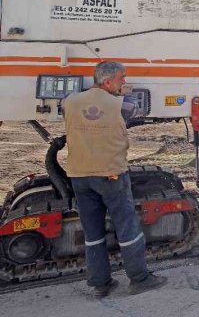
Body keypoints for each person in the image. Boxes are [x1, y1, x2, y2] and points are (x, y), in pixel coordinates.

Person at [62, 61, 167, 297]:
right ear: (108, 82)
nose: (125, 83)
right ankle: (140, 279)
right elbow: (135, 111)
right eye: (122, 79)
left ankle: (100, 283)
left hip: (79, 176)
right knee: (127, 226)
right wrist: (123, 95)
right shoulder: (124, 104)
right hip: (110, 175)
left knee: (92, 231)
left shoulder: (69, 101)